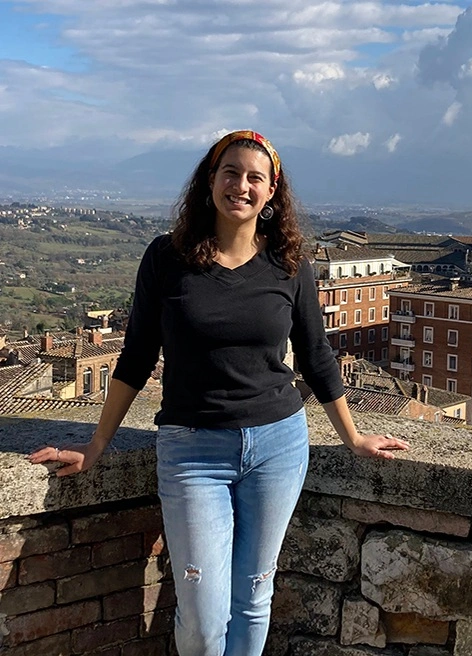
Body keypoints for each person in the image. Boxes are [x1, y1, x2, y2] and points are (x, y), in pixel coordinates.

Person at [29, 130, 409, 656]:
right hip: (193, 452)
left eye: (256, 177)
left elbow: (317, 356)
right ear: (210, 180)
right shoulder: (166, 258)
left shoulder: (290, 266)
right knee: (205, 619)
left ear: (272, 191)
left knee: (254, 598)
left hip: (278, 444)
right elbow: (135, 358)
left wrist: (354, 437)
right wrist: (96, 445)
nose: (242, 185)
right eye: (231, 172)